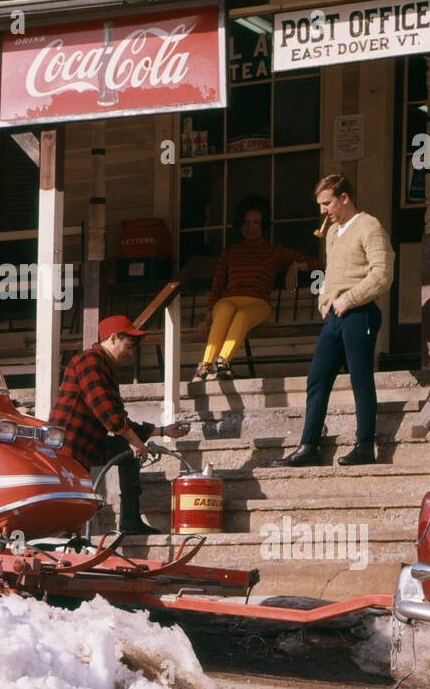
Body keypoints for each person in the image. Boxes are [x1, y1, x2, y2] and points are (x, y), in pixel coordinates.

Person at [276, 174, 394, 468]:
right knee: (317, 377)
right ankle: (309, 445)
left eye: (327, 203)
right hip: (335, 315)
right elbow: (330, 274)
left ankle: (365, 444)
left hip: (361, 312)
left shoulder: (370, 227)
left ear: (344, 198)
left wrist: (348, 299)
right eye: (320, 204)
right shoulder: (332, 233)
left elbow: (382, 275)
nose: (323, 211)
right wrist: (324, 301)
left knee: (360, 377)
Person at [49, 315, 189, 535]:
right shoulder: (89, 361)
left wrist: (160, 431)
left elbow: (118, 416)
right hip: (68, 449)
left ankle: (130, 522)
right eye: (129, 346)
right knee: (69, 509)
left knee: (127, 453)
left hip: (88, 444)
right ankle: (63, 548)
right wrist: (134, 441)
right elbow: (106, 410)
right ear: (113, 338)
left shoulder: (102, 365)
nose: (130, 353)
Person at [194, 197, 321, 381]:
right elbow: (217, 284)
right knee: (225, 308)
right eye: (246, 222)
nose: (251, 227)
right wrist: (207, 316)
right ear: (240, 224)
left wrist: (296, 266)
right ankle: (205, 365)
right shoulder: (229, 252)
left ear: (263, 226)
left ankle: (222, 363)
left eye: (256, 222)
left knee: (242, 315)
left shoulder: (274, 252)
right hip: (228, 300)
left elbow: (318, 263)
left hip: (258, 303)